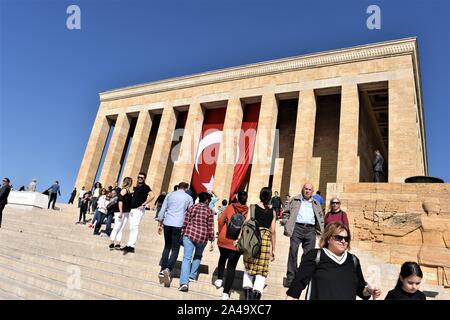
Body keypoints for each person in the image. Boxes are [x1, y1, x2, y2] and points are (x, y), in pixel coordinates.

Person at [286, 221, 381, 300]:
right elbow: (296, 286)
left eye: (346, 238)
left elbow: (361, 291)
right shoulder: (315, 256)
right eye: (339, 237)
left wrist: (370, 290)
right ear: (328, 238)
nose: (343, 241)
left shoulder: (353, 260)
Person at [237, 187, 276, 300]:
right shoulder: (272, 212)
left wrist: (239, 237)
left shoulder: (252, 207)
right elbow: (273, 231)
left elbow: (246, 223)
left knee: (249, 266)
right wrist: (274, 249)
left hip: (252, 240)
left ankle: (247, 297)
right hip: (265, 242)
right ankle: (256, 297)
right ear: (270, 198)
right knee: (261, 270)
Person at [282, 183, 324, 287]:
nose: (307, 191)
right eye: (306, 189)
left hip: (310, 230)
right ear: (303, 189)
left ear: (312, 192)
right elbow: (286, 212)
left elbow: (320, 216)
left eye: (309, 189)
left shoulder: (316, 203)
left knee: (309, 255)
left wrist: (320, 229)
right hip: (297, 228)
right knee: (293, 251)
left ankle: (301, 276)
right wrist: (287, 222)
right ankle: (291, 277)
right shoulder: (294, 199)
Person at [157, 182, 193, 287]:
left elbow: (163, 208)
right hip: (178, 224)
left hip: (167, 222)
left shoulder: (170, 194)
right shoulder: (188, 197)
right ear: (186, 188)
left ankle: (163, 268)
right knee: (175, 248)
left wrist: (160, 222)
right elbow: (190, 212)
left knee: (167, 246)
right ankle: (168, 268)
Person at [178, 192, 215, 293]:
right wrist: (212, 240)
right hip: (202, 237)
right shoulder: (209, 211)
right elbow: (210, 227)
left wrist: (182, 232)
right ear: (206, 200)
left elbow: (186, 221)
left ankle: (184, 283)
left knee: (186, 258)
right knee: (198, 255)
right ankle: (192, 275)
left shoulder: (193, 207)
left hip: (189, 234)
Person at [216, 191, 248, 300]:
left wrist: (221, 232)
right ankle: (226, 293)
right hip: (236, 243)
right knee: (231, 267)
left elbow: (221, 221)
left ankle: (219, 279)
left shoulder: (230, 207)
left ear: (237, 197)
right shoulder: (248, 211)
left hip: (224, 239)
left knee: (222, 258)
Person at [122, 172, 155, 253]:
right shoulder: (137, 187)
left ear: (144, 179)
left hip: (138, 210)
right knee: (131, 227)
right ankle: (129, 245)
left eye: (142, 177)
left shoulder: (145, 187)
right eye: (139, 177)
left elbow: (152, 195)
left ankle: (132, 246)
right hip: (132, 209)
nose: (140, 178)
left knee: (135, 227)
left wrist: (143, 204)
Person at [109, 177, 133, 250]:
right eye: (131, 182)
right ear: (129, 183)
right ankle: (111, 242)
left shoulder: (128, 191)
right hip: (120, 211)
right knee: (117, 227)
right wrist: (121, 211)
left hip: (126, 212)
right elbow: (120, 200)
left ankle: (118, 244)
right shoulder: (124, 190)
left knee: (121, 228)